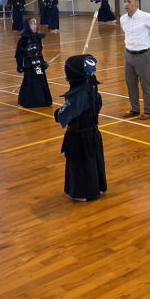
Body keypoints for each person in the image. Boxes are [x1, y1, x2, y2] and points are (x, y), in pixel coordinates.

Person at [55, 54, 107, 202]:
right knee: (92, 160)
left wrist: (58, 114)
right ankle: (95, 187)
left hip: (79, 135)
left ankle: (81, 192)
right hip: (92, 132)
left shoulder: (78, 94)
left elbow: (67, 114)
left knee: (80, 163)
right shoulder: (92, 89)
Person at [15, 17, 53, 108]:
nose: (34, 26)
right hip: (29, 64)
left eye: (35, 24)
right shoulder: (23, 39)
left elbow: (39, 51)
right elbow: (18, 54)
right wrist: (19, 65)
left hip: (38, 63)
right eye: (32, 24)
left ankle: (42, 101)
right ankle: (29, 101)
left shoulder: (38, 38)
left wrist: (43, 62)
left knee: (40, 81)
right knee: (30, 82)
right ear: (27, 26)